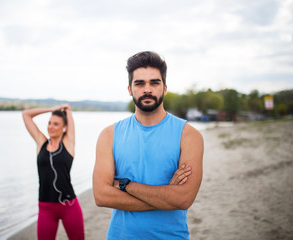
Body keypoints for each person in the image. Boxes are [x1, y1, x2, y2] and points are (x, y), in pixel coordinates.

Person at [93, 51, 203, 239]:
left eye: (154, 82)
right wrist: (166, 196)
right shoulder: (109, 135)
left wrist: (124, 185)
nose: (147, 89)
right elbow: (102, 196)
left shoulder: (188, 135)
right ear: (130, 89)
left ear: (165, 88)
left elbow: (184, 199)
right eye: (139, 83)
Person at [22, 105, 84, 240]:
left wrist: (67, 110)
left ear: (64, 128)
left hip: (69, 206)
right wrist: (51, 109)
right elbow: (26, 114)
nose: (50, 126)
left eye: (56, 124)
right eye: (49, 123)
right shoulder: (41, 143)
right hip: (46, 207)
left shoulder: (68, 143)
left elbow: (69, 113)